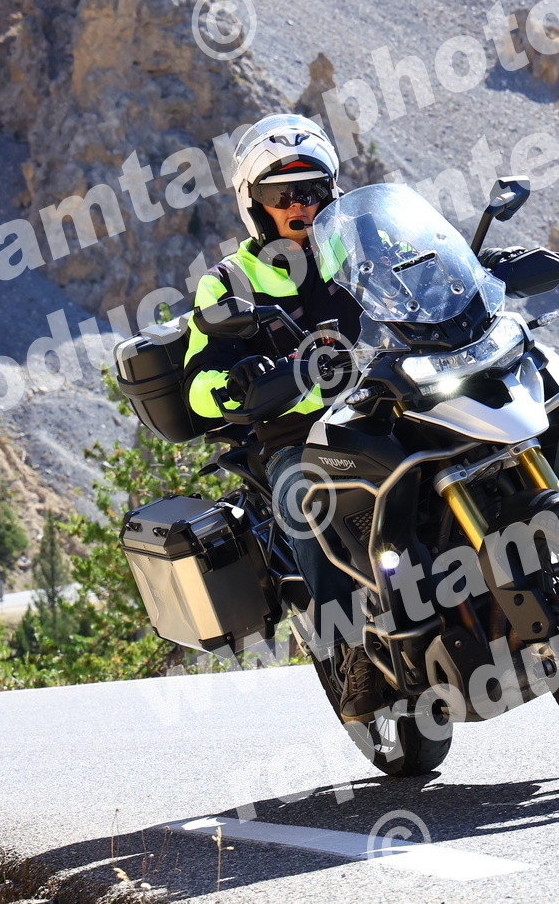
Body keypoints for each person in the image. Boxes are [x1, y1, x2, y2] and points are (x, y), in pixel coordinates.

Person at [183, 113, 382, 722]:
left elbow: (429, 274)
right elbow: (198, 387)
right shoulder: (229, 282)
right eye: (284, 195)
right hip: (301, 435)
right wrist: (238, 384)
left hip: (390, 402)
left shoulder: (363, 245)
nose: (302, 205)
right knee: (302, 493)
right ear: (256, 206)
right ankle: (352, 651)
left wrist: (484, 269)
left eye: (314, 189)